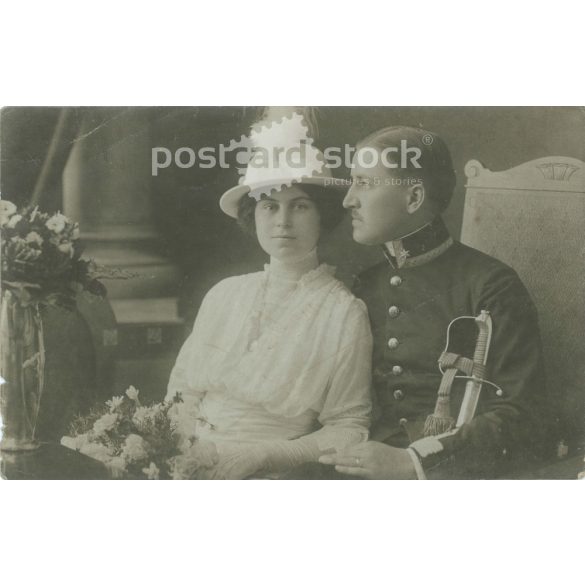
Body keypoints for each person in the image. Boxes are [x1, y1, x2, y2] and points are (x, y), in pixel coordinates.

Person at [319, 126, 550, 479]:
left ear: (413, 198)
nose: (348, 199)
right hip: (362, 456)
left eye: (364, 183)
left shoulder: (491, 285)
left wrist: (413, 461)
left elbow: (520, 413)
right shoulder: (367, 284)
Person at [166, 140, 373, 479]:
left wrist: (263, 455)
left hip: (267, 474)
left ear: (323, 215)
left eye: (301, 206)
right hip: (186, 460)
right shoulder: (224, 294)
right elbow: (182, 394)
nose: (283, 222)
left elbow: (348, 426)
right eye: (270, 206)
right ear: (253, 215)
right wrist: (181, 450)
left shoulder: (343, 312)